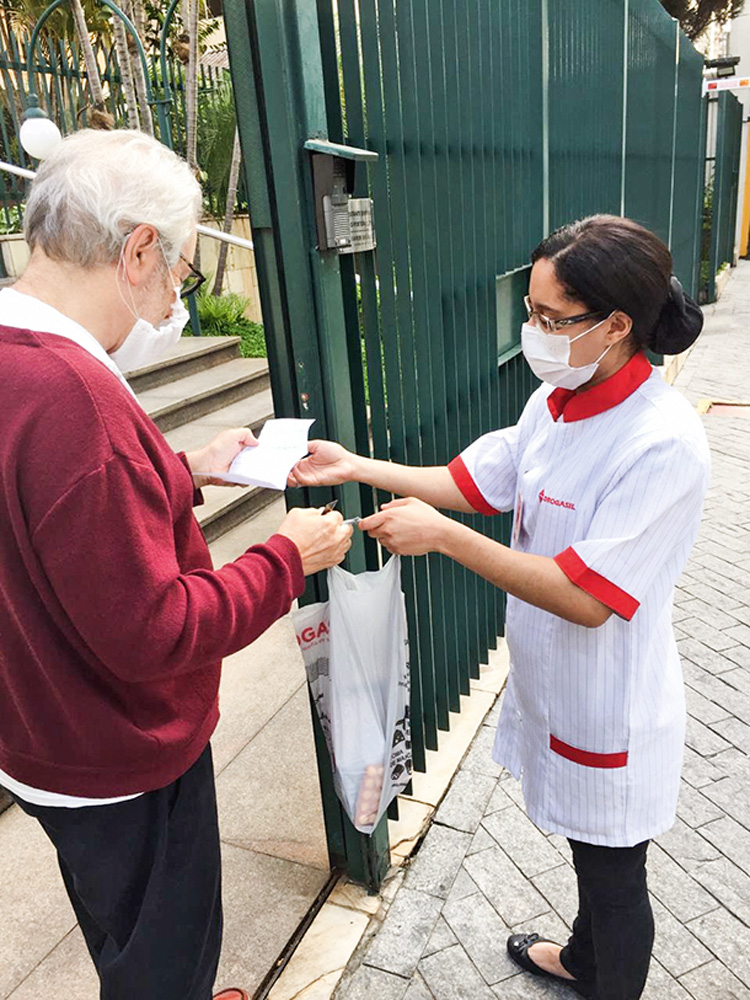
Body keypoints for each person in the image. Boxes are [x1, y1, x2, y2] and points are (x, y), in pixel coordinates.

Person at [289, 215, 710, 1000]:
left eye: (552, 320)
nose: (534, 332)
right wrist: (358, 465)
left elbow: (590, 599)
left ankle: (603, 976)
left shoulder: (663, 441)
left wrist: (445, 540)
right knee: (595, 856)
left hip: (611, 704)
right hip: (560, 690)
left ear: (618, 326)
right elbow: (479, 482)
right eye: (531, 311)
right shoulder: (557, 399)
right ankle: (584, 959)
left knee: (616, 876)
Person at [0, 129, 352, 1000]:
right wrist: (284, 557)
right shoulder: (74, 396)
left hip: (41, 729)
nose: (172, 303)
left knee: (122, 929)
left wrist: (179, 471)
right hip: (120, 751)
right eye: (180, 274)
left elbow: (45, 524)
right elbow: (155, 631)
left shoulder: (21, 359)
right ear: (138, 249)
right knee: (166, 957)